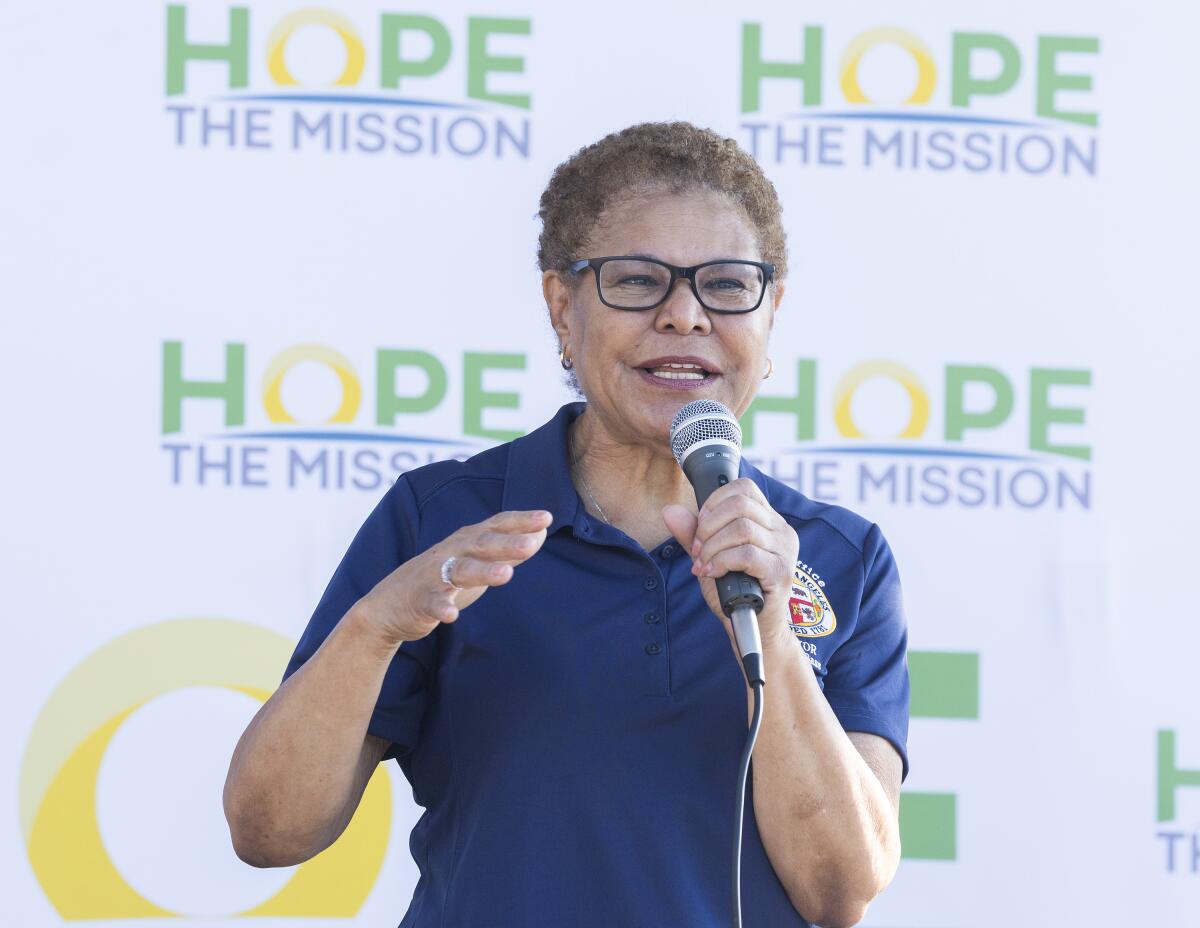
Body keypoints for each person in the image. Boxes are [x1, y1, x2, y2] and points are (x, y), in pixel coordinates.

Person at [223, 121, 909, 928]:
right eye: (637, 280)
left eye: (726, 284)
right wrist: (373, 629)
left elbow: (842, 892)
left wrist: (776, 640)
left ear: (771, 315)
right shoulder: (443, 518)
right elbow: (268, 831)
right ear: (561, 306)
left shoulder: (840, 553)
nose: (686, 316)